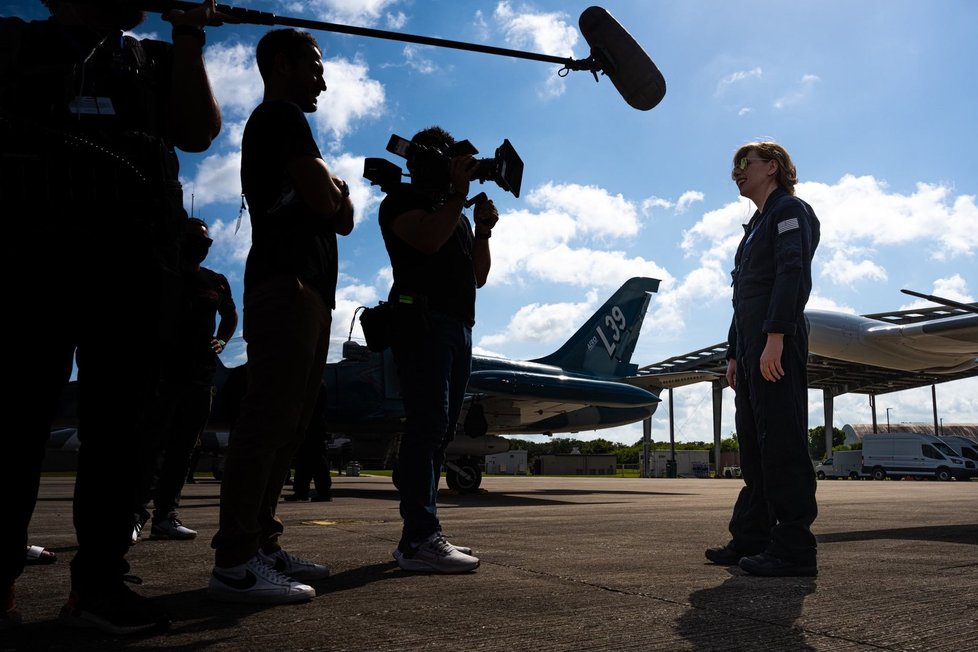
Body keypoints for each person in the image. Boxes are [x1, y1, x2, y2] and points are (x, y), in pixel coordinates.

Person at [0, 0, 226, 634]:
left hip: (129, 272)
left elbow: (197, 130)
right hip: (27, 261)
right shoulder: (16, 43)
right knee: (14, 428)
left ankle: (98, 585)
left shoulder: (150, 59)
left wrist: (187, 34)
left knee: (120, 437)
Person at [208, 27, 354, 604]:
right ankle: (236, 560)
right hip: (284, 285)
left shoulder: (293, 123)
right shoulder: (280, 118)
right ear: (281, 64)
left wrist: (335, 191)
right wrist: (334, 187)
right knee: (268, 420)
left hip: (309, 289)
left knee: (291, 425)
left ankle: (262, 543)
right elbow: (328, 203)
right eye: (314, 66)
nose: (323, 77)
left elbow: (340, 216)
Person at [379, 126, 499, 574]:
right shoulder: (401, 201)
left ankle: (424, 533)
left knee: (441, 434)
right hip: (422, 324)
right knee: (426, 428)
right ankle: (419, 539)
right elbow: (426, 240)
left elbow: (478, 277)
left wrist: (482, 230)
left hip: (458, 329)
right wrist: (458, 196)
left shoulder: (459, 217)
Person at [705, 141, 821, 577]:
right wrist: (734, 353)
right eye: (732, 165)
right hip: (751, 348)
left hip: (779, 343)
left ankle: (794, 549)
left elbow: (793, 274)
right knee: (753, 449)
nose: (736, 172)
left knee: (783, 445)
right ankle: (752, 537)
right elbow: (743, 298)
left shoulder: (790, 211)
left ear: (772, 167)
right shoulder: (755, 224)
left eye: (744, 164)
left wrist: (776, 336)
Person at [133, 217, 238, 543]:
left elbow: (230, 315)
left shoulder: (216, 281)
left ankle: (166, 516)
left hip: (199, 378)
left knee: (182, 450)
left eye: (205, 242)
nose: (200, 246)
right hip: (161, 375)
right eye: (192, 239)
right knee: (149, 447)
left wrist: (222, 340)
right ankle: (134, 513)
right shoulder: (161, 275)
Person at [283, 383, 333, 502]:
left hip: (311, 426)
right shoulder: (316, 384)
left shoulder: (313, 385)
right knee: (306, 461)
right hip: (312, 426)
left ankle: (319, 491)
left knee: (314, 461)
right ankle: (305, 491)